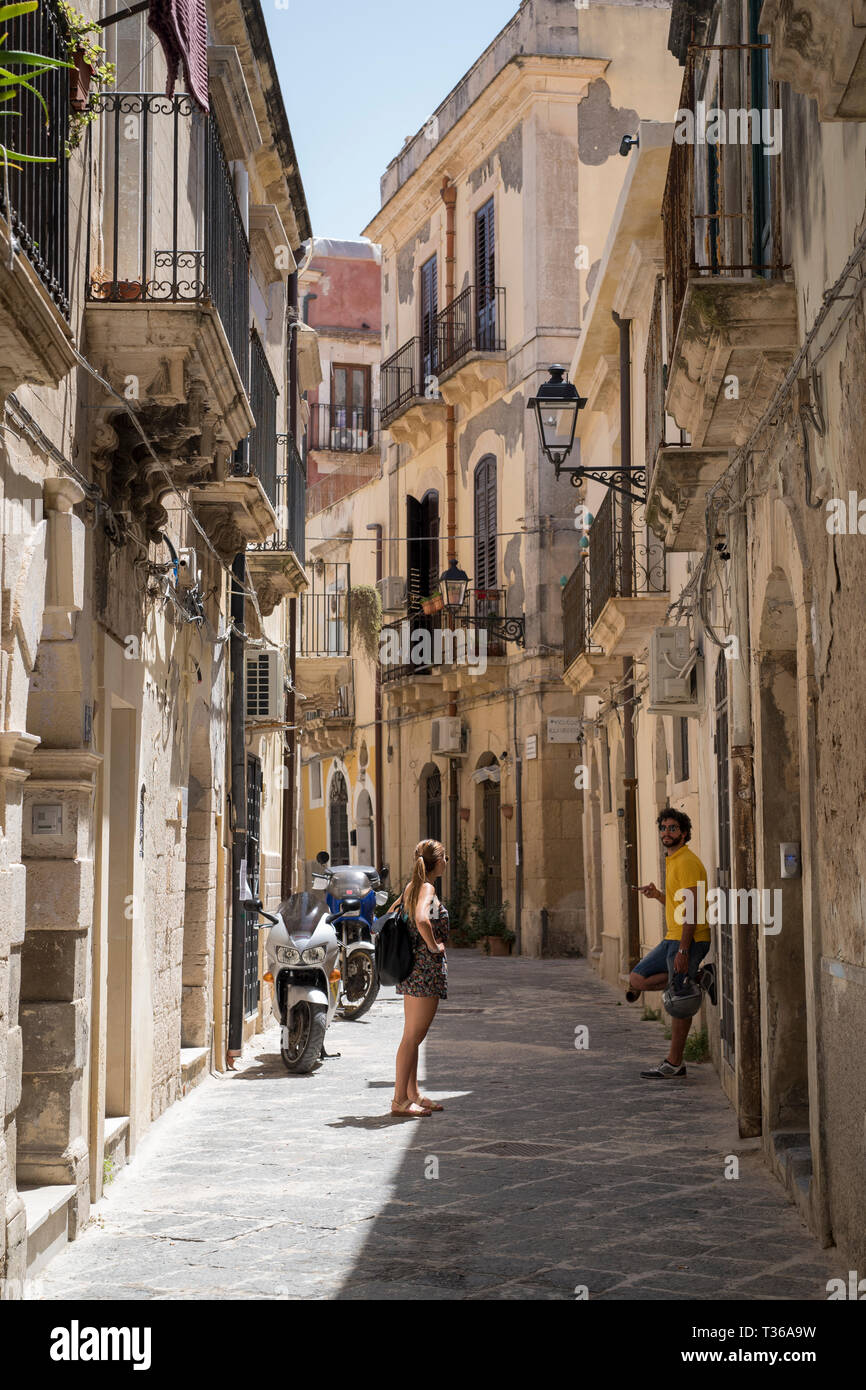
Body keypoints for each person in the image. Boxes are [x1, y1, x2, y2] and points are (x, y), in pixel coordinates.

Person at [626, 808, 716, 1079]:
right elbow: (679, 904)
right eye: (663, 827)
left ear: (684, 833)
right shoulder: (673, 860)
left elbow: (692, 909)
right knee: (637, 979)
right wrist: (658, 896)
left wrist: (684, 951)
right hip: (672, 937)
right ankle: (698, 976)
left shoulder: (687, 861)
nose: (667, 832)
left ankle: (674, 1063)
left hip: (689, 939)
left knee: (679, 999)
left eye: (673, 828)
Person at [391, 839, 449, 1117]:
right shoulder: (426, 887)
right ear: (436, 863)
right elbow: (420, 918)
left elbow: (391, 914)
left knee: (413, 1035)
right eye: (445, 858)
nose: (446, 862)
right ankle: (400, 1100)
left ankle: (412, 1093)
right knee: (412, 1036)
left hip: (413, 969)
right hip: (424, 970)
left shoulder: (411, 888)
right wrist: (432, 945)